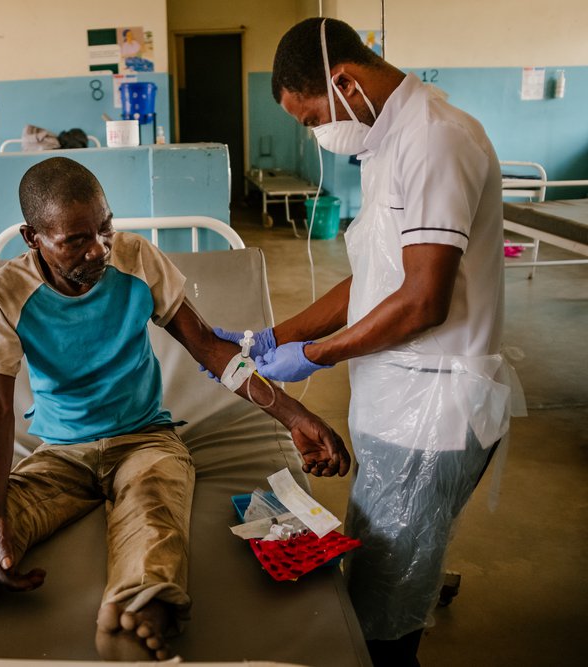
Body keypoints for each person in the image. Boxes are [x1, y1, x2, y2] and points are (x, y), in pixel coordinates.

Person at [0, 156, 350, 661]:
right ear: (33, 238)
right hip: (61, 451)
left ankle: (134, 620)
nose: (99, 250)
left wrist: (296, 416)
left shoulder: (135, 259)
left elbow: (211, 349)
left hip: (146, 440)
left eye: (105, 228)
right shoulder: (6, 292)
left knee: (156, 517)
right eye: (76, 240)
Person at [212, 17, 515, 667]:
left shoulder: (434, 139)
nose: (316, 132)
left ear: (345, 81)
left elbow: (423, 299)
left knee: (384, 612)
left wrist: (313, 356)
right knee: (385, 564)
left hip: (434, 409)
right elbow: (375, 279)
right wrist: (271, 335)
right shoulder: (386, 143)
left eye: (311, 114)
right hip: (397, 400)